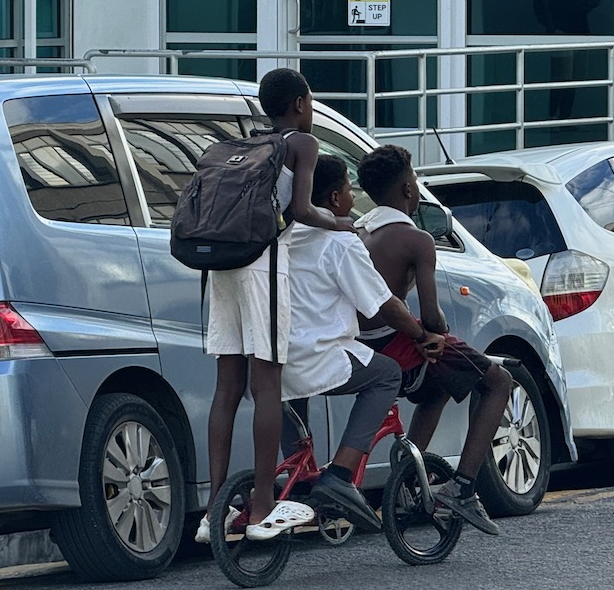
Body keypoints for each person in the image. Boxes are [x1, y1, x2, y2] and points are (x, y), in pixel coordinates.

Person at [200, 68, 358, 543]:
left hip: (222, 266)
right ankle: (265, 505)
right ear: (300, 103)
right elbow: (301, 212)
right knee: (266, 383)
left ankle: (214, 512)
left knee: (227, 387)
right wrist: (343, 225)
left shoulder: (250, 144)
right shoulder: (301, 145)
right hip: (263, 265)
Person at [280, 155, 445, 532]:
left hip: (276, 359)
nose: (352, 197)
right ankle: (340, 473)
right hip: (321, 356)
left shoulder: (286, 238)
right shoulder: (341, 241)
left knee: (292, 391)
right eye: (349, 190)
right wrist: (420, 336)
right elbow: (385, 305)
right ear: (336, 198)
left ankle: (299, 474)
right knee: (385, 374)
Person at [354, 145, 511, 536]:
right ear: (409, 188)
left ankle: (408, 480)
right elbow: (430, 315)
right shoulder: (416, 239)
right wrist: (437, 335)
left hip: (363, 346)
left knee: (436, 388)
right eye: (417, 182)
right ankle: (463, 486)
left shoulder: (358, 232)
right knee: (499, 382)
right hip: (400, 343)